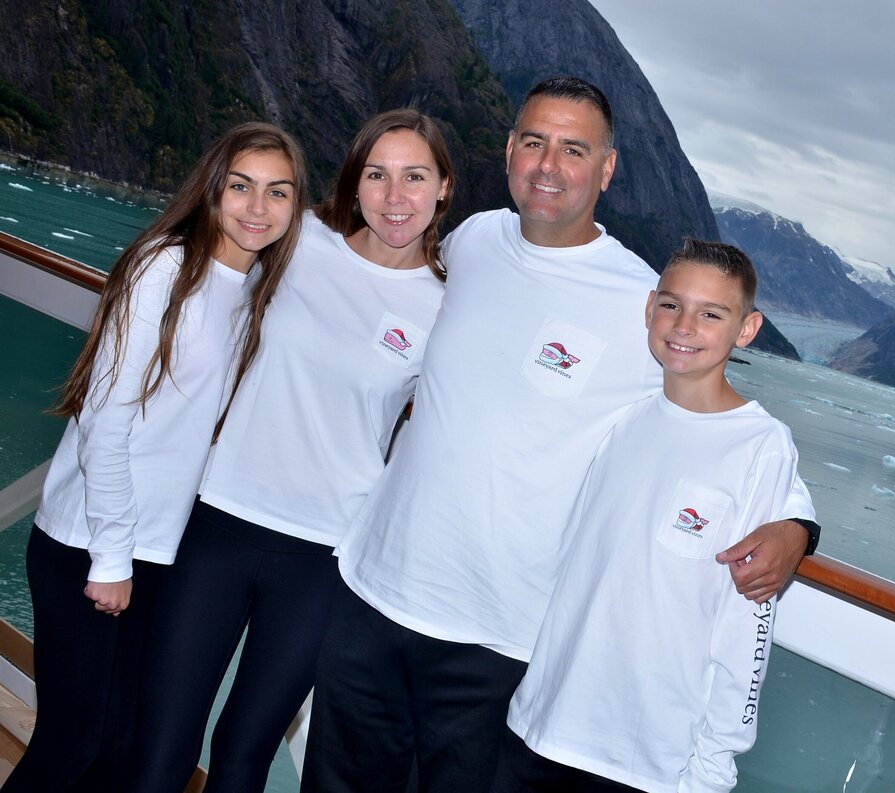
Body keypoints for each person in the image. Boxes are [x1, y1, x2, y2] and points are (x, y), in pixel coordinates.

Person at [304, 77, 819, 792]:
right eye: (535, 142)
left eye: (573, 149)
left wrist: (796, 525)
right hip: (372, 591)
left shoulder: (640, 304)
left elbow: (711, 419)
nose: (549, 165)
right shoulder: (475, 239)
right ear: (511, 151)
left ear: (605, 170)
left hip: (501, 639)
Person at [125, 108, 455, 793]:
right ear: (354, 183)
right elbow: (195, 282)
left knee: (243, 751)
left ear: (444, 188)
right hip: (219, 519)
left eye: (414, 177)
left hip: (325, 553)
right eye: (378, 175)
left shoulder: (449, 308)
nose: (395, 197)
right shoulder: (298, 239)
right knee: (161, 744)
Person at [1, 122, 306, 793]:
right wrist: (111, 556)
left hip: (159, 552)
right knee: (69, 744)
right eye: (242, 186)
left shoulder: (255, 293)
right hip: (91, 543)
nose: (258, 207)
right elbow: (106, 420)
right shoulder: (165, 268)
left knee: (119, 748)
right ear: (212, 189)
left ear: (296, 206)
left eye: (278, 192)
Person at [492, 238, 802, 793]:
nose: (684, 325)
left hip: (645, 759)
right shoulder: (622, 416)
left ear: (747, 329)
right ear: (649, 308)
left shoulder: (760, 446)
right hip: (538, 725)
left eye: (712, 314)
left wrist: (711, 768)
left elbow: (746, 624)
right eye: (671, 304)